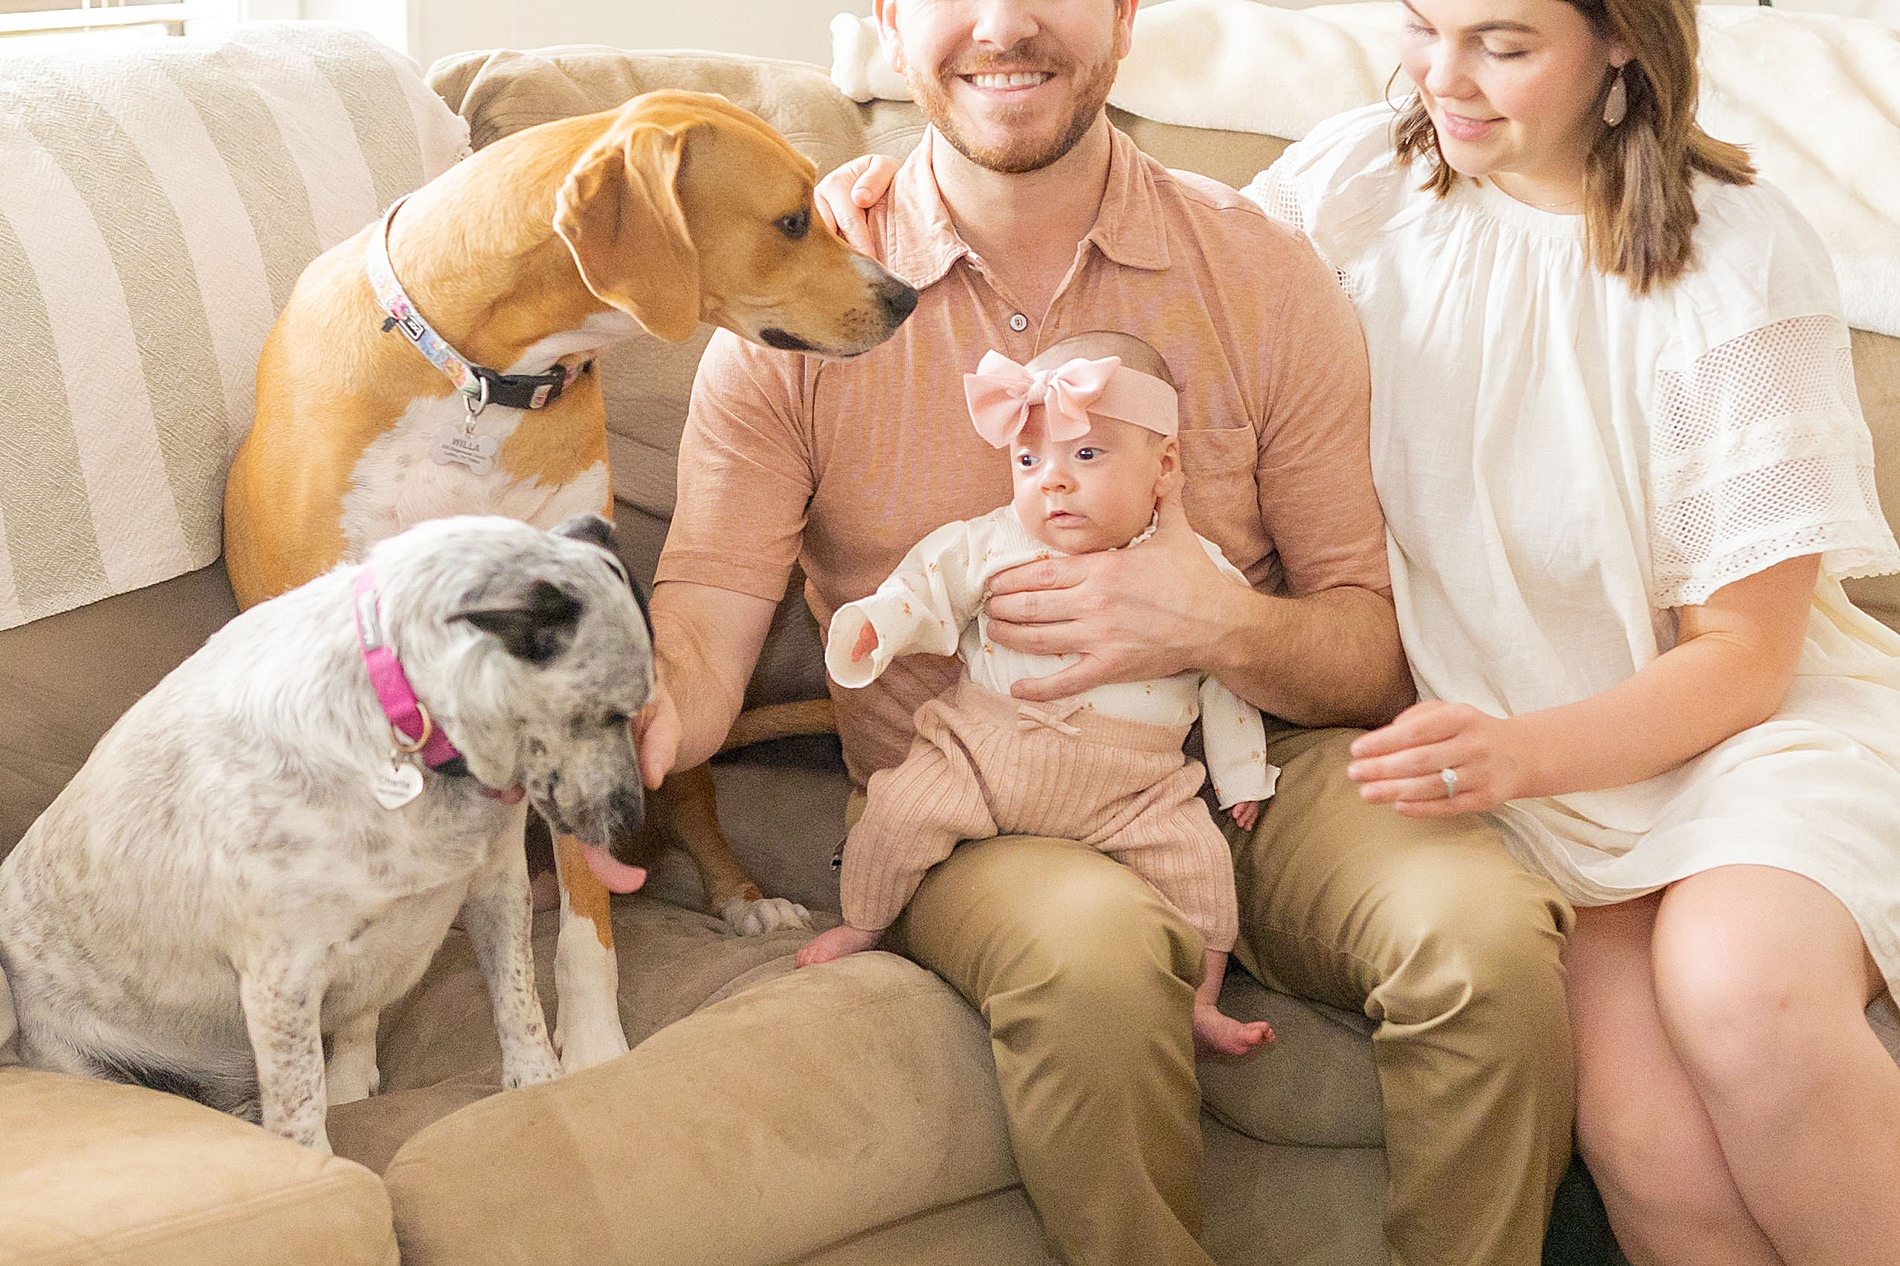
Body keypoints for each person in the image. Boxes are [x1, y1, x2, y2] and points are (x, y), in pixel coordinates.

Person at [649, 1, 1577, 1262]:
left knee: (1482, 938)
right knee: (1094, 962)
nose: (1002, 24)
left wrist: (1219, 622)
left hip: (1252, 766)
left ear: (1129, 12)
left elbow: (1371, 647)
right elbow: (704, 613)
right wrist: (612, 739)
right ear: (883, 15)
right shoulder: (801, 293)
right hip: (977, 783)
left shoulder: (1258, 269)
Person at [1243, 0, 1900, 1260]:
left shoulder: (1739, 258)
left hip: (1736, 733)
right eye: (1424, 23)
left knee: (1741, 992)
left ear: (1621, 42)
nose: (1442, 78)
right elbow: (1165, 276)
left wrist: (1513, 752)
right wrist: (911, 200)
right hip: (1526, 783)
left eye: (1501, 42)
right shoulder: (1348, 190)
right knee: (1645, 1143)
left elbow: (1745, 659)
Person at [795, 332, 1277, 1059]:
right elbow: (925, 586)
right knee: (899, 811)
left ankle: (1201, 999)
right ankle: (865, 920)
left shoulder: (1195, 570)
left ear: (1164, 465)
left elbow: (1228, 676)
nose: (1052, 481)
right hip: (983, 754)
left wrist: (1242, 771)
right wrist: (875, 629)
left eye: (1085, 455)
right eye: (1029, 460)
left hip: (1138, 788)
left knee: (1202, 870)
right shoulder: (989, 542)